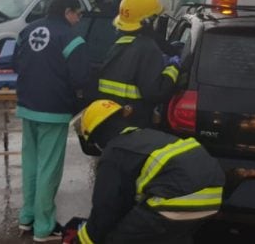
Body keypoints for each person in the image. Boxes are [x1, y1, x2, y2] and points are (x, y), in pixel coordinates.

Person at [71, 99, 224, 244]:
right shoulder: (147, 137)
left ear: (96, 136)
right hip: (212, 198)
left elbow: (105, 209)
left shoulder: (114, 151)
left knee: (117, 239)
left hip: (176, 201)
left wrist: (84, 240)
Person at [13, 0, 90, 242]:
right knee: (49, 168)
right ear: (67, 11)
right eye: (77, 14)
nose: (78, 19)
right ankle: (44, 227)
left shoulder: (28, 30)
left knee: (31, 164)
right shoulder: (71, 38)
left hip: (27, 106)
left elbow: (16, 63)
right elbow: (80, 78)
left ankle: (27, 218)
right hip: (53, 111)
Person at [95, 0, 180, 128]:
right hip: (135, 122)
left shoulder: (119, 44)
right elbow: (155, 93)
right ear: (148, 20)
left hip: (112, 119)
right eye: (158, 17)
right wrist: (173, 67)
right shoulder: (148, 48)